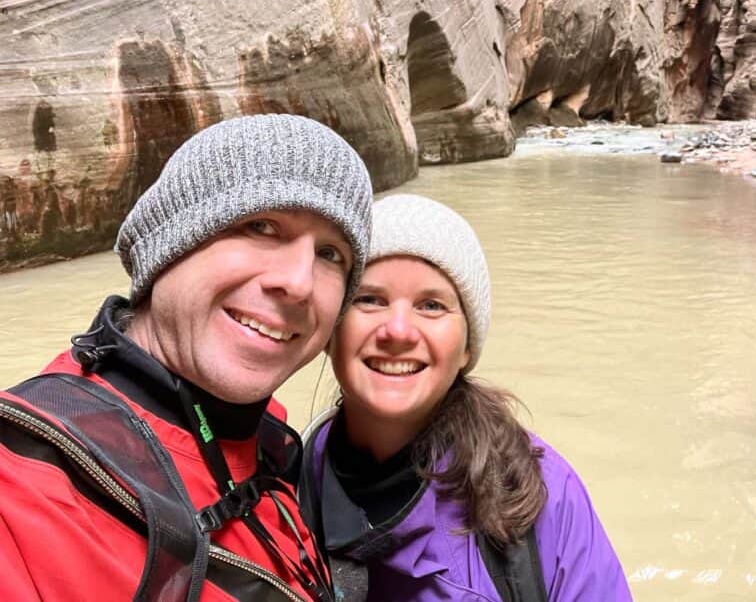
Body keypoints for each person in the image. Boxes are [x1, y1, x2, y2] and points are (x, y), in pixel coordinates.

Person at [0, 113, 374, 602]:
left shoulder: (265, 444)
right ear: (169, 246)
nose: (299, 282)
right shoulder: (22, 487)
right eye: (260, 225)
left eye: (331, 255)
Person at [298, 194, 632, 601]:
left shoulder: (538, 495)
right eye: (370, 299)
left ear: (466, 348)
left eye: (432, 305)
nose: (398, 330)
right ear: (332, 329)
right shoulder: (285, 484)